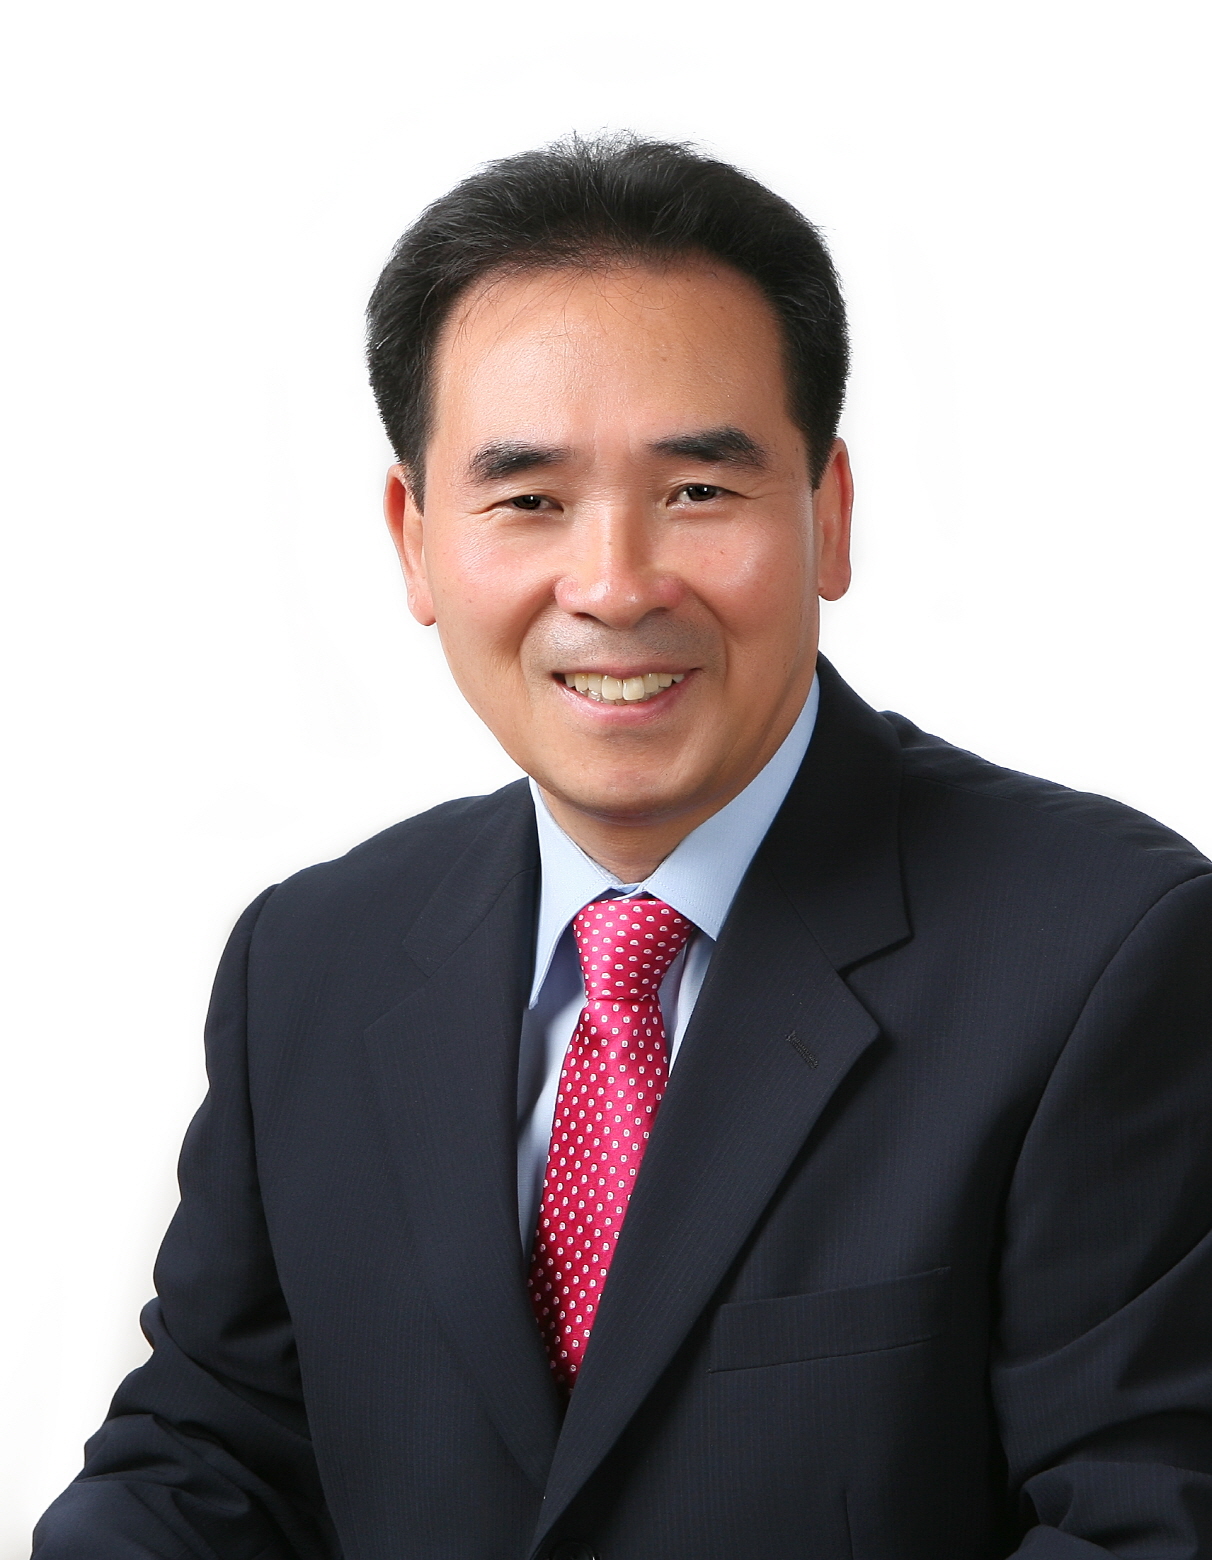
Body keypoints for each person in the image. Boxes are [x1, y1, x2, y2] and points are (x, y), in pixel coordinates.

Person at [34, 134, 1212, 1560]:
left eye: (698, 491)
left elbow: (1143, 1518)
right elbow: (215, 1456)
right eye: (529, 500)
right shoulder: (310, 961)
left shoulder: (1107, 955)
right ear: (415, 537)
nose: (611, 585)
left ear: (829, 515)